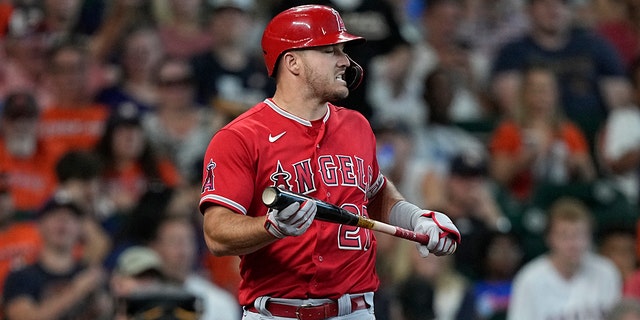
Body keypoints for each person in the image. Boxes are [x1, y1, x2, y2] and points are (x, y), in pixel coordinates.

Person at [199, 5, 460, 320]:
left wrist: (417, 218)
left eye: (343, 51)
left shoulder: (357, 125)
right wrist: (270, 227)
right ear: (293, 62)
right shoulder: (240, 136)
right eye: (330, 50)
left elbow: (375, 192)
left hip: (355, 310)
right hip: (277, 312)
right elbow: (216, 234)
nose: (344, 61)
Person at [506, 197, 621, 320]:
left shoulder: (606, 271)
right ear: (549, 238)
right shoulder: (530, 279)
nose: (573, 244)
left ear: (590, 237)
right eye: (564, 236)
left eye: (579, 235)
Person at [2, 194, 112, 320]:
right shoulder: (20, 276)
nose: (63, 221)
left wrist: (103, 306)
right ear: (39, 226)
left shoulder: (89, 274)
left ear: (81, 228)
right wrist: (77, 290)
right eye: (54, 216)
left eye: (71, 217)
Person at [149, 214, 241, 320]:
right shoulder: (141, 297)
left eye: (187, 241)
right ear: (155, 247)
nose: (182, 251)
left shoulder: (219, 302)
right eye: (173, 241)